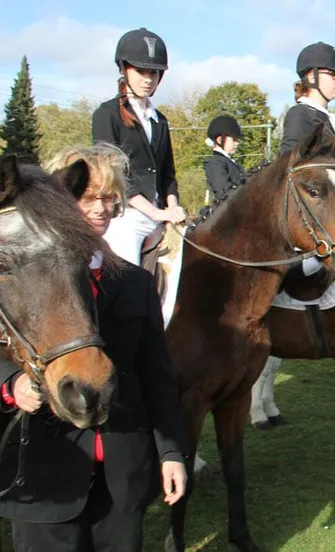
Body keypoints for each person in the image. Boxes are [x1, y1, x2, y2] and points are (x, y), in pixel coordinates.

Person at [0, 143, 189, 552]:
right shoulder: (20, 274)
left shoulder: (135, 283)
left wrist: (172, 452)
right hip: (43, 473)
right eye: (88, 197)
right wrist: (11, 383)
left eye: (110, 198)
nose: (102, 208)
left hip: (122, 475)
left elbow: (156, 374)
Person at [91, 27, 186, 266]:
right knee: (127, 277)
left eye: (154, 73)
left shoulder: (160, 120)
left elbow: (168, 173)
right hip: (126, 216)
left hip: (160, 215)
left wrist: (172, 209)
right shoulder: (107, 114)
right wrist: (154, 212)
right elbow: (114, 175)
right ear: (124, 69)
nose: (147, 79)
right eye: (140, 71)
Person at [280, 41, 335, 156]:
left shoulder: (329, 119)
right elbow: (290, 162)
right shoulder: (300, 113)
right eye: (333, 74)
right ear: (312, 77)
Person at [204, 114, 245, 201]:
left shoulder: (231, 162)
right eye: (234, 140)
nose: (237, 143)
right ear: (220, 140)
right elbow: (223, 192)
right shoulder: (215, 163)